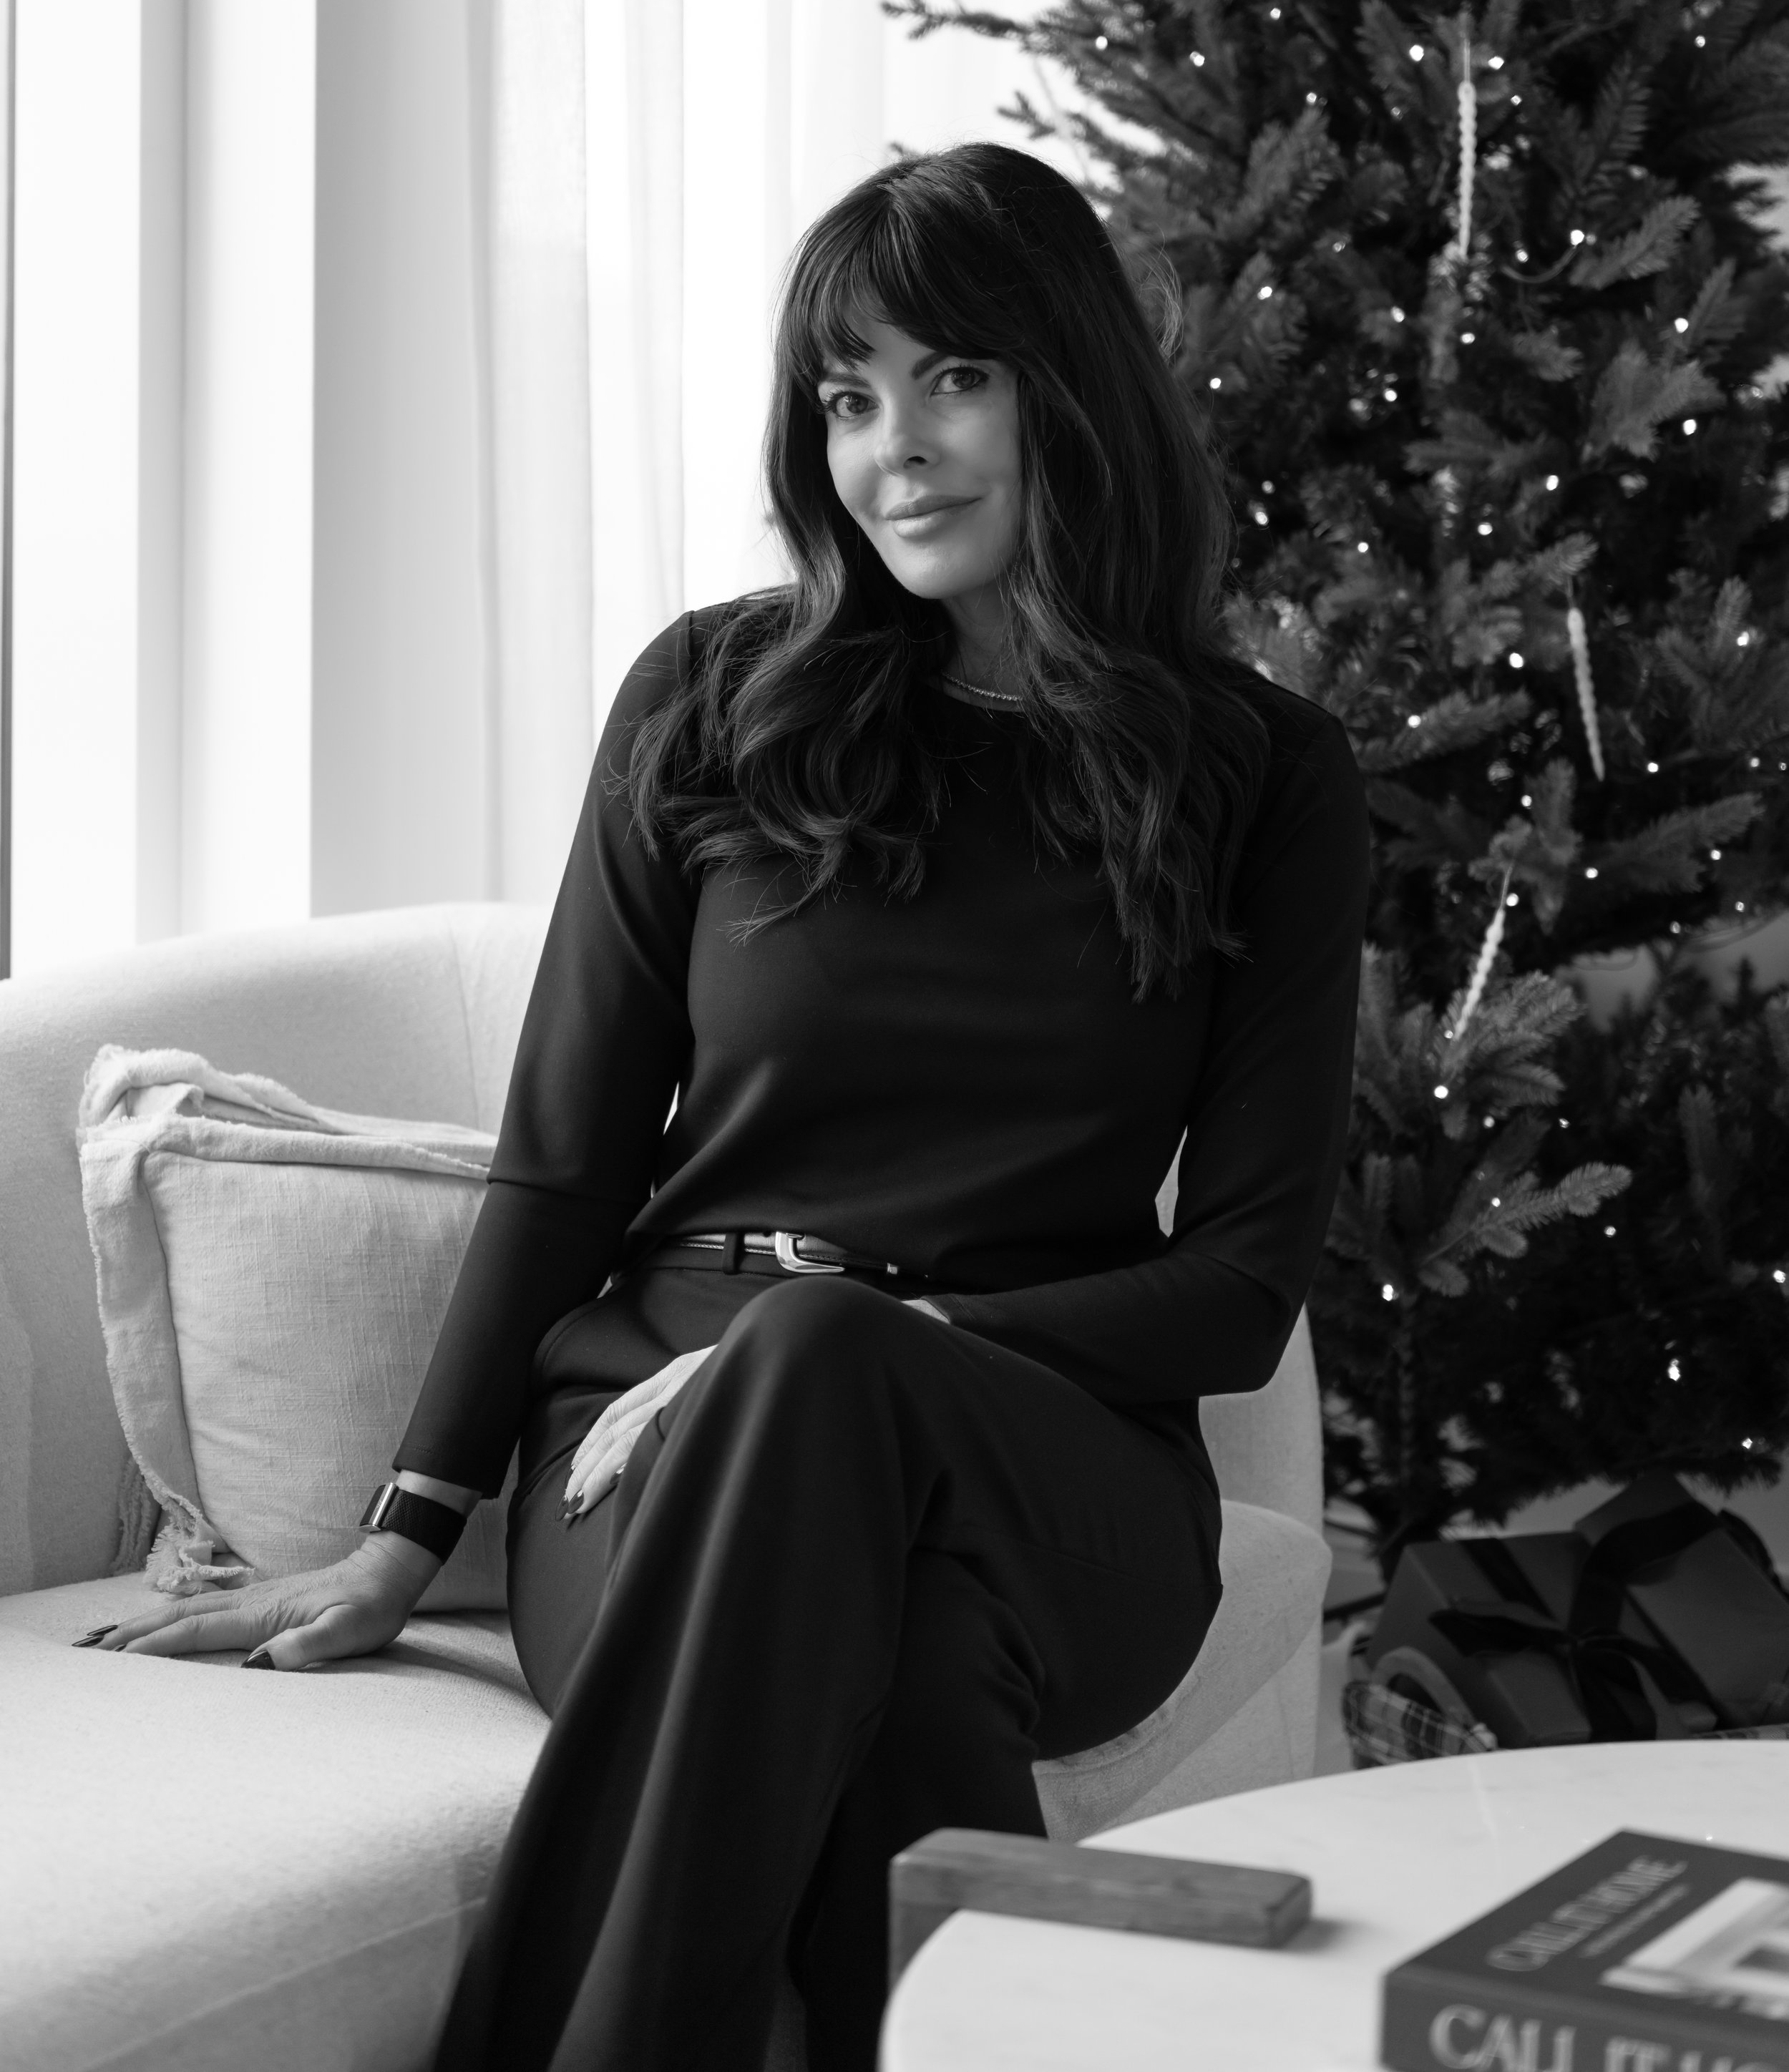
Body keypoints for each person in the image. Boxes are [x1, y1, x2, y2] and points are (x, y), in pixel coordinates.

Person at [84, 143, 1370, 2072]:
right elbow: (565, 1158)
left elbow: (1241, 1284)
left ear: (1067, 389)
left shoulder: (1262, 774)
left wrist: (864, 1342)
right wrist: (403, 1536)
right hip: (640, 1449)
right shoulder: (712, 700)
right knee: (905, 1684)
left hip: (1052, 1459)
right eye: (847, 400)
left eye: (952, 379)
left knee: (830, 1366)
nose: (894, 451)